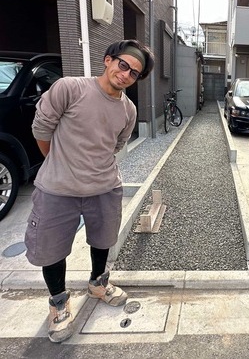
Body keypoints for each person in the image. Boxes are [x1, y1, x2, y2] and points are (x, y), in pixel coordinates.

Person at [24, 39, 154, 343]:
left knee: (103, 240)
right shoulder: (70, 88)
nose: (126, 74)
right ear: (108, 60)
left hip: (104, 186)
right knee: (51, 248)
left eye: (134, 73)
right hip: (57, 188)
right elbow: (42, 130)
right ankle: (58, 302)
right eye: (123, 64)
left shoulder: (128, 109)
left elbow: (117, 145)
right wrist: (59, 163)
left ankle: (98, 283)